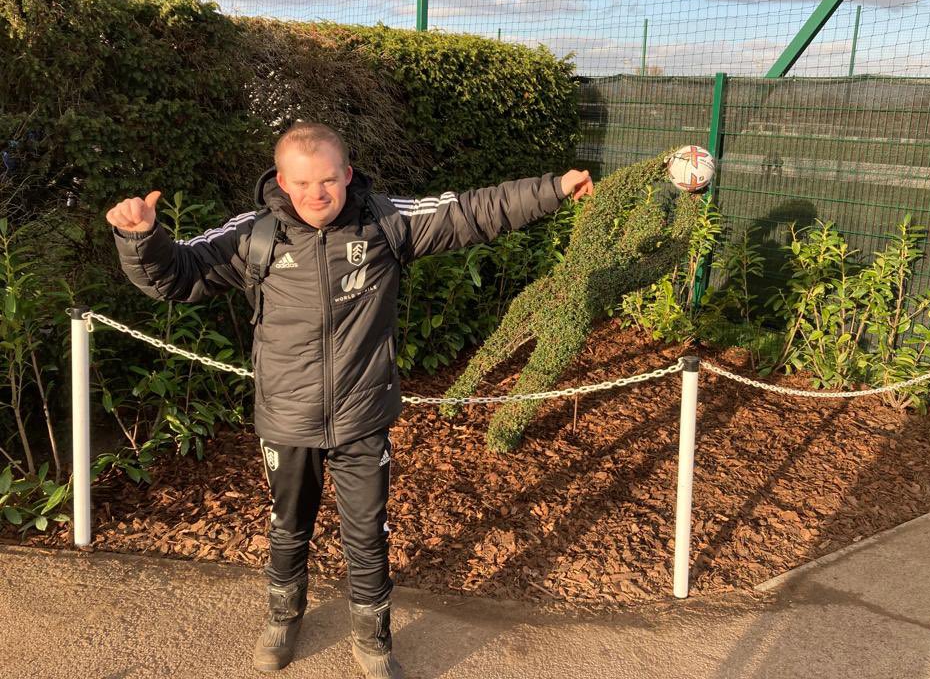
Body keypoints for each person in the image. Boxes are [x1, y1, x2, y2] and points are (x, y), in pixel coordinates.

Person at [106, 121, 594, 678]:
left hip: (363, 416)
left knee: (367, 531)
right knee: (289, 525)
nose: (317, 194)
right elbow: (179, 276)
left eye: (329, 180)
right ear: (282, 183)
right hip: (287, 419)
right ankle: (283, 617)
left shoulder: (385, 223)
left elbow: (468, 212)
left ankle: (373, 638)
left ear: (348, 175)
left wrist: (552, 188)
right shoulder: (255, 236)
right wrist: (141, 238)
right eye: (304, 182)